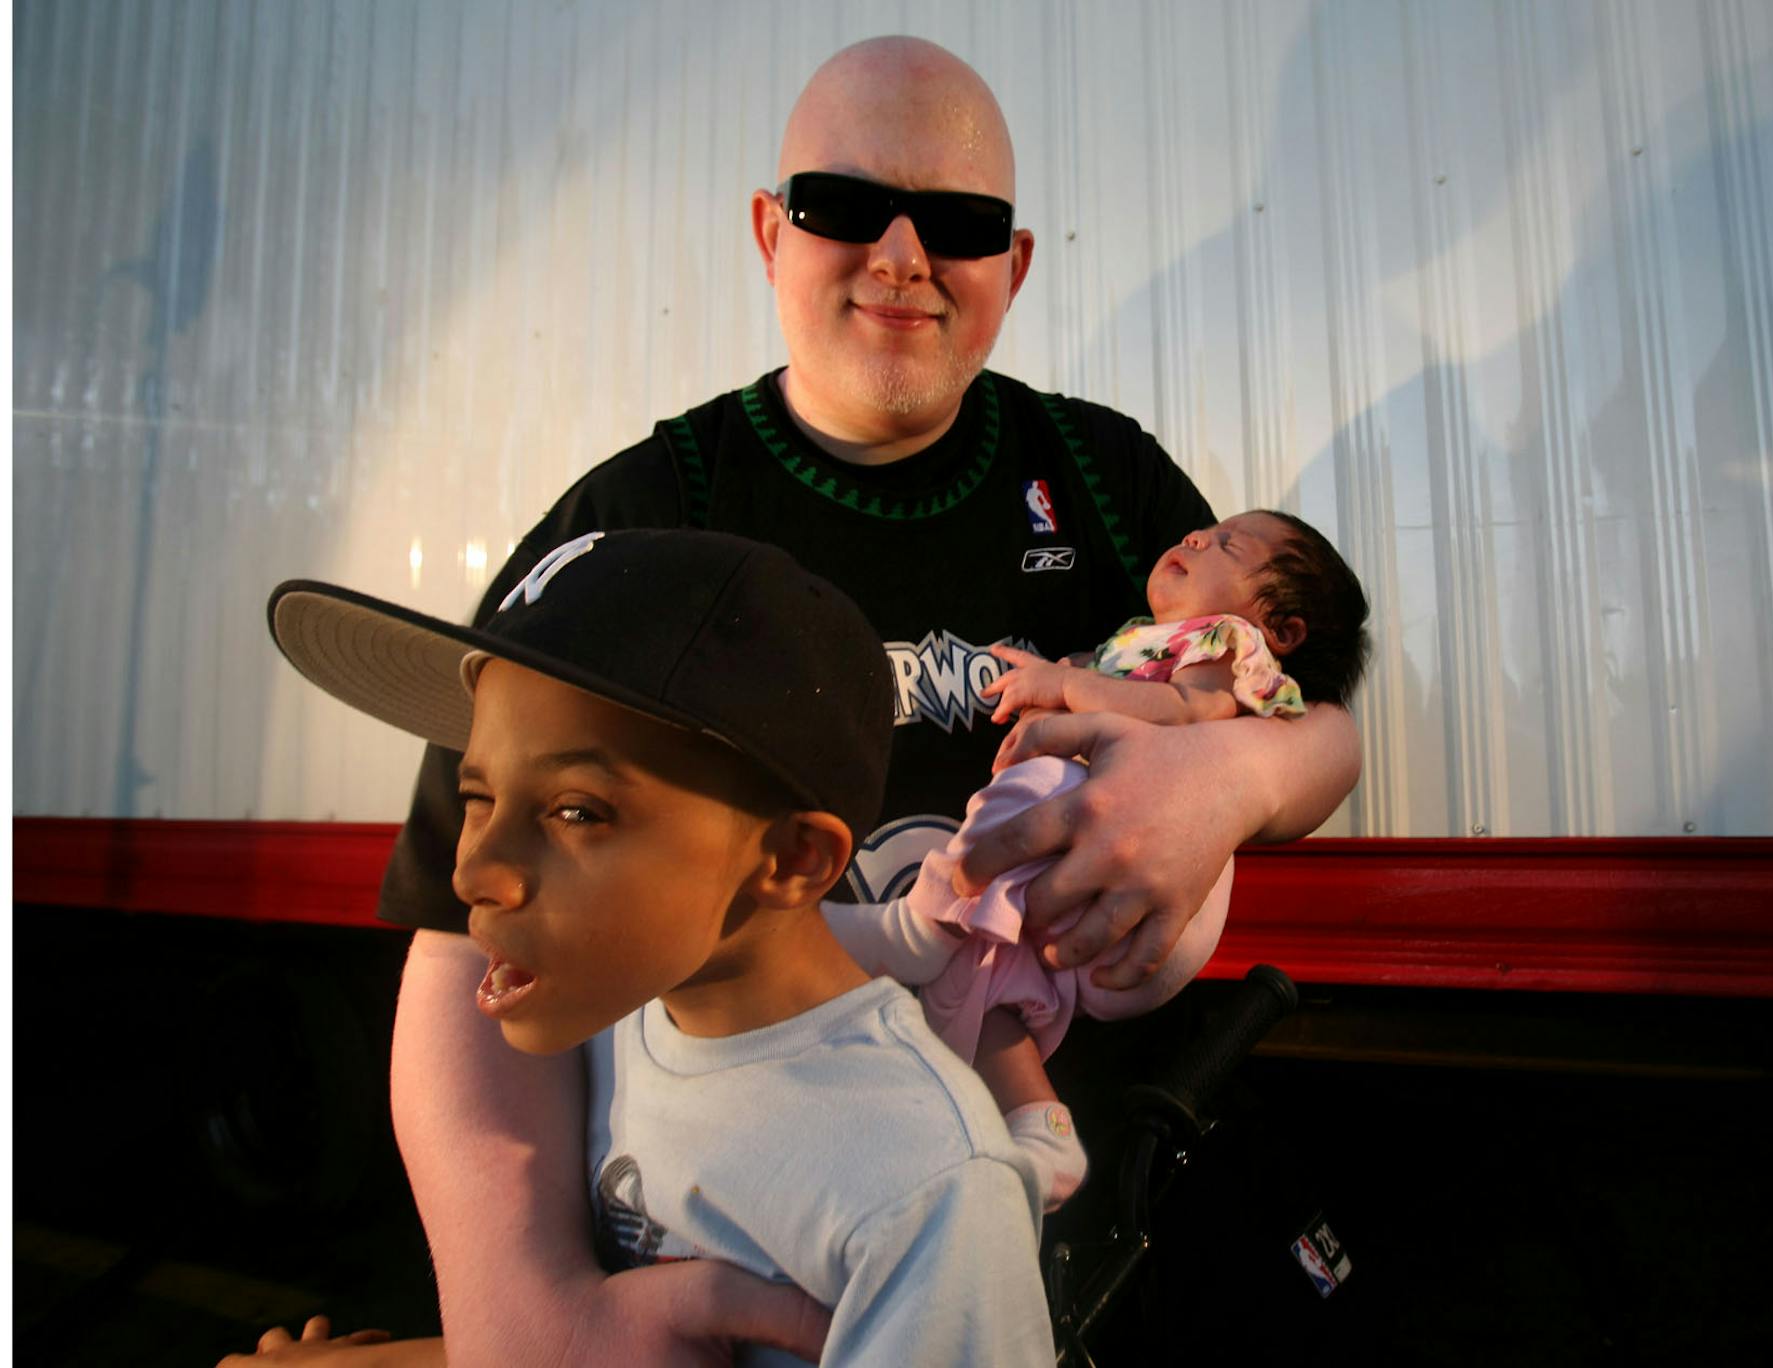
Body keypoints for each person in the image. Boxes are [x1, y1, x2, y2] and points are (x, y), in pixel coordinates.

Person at [377, 35, 1362, 1363]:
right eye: (846, 207)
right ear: (770, 234)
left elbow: (1316, 731)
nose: (902, 256)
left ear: (1009, 268)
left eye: (954, 223)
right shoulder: (646, 516)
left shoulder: (1105, 481)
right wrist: (521, 1313)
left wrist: (1233, 778)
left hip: (1073, 1226)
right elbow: (462, 919)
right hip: (740, 1228)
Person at [250, 528, 1054, 1367]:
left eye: (575, 812)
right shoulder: (628, 1014)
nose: (474, 870)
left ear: (791, 860)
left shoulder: (923, 1192)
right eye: (477, 795)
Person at [824, 509, 1371, 1208]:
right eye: (1202, 532)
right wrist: (1060, 670)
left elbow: (1189, 709)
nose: (1196, 535)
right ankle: (1040, 1128)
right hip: (1098, 906)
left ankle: (916, 927)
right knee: (988, 978)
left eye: (1228, 544)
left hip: (1152, 891)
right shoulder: (1143, 641)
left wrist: (1065, 688)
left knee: (1035, 789)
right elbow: (1118, 680)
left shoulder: (1225, 643)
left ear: (1281, 628)